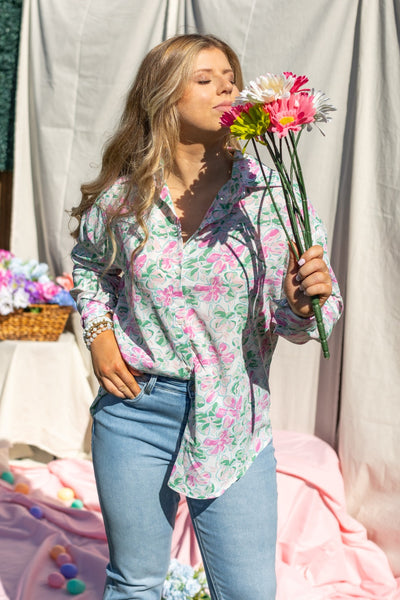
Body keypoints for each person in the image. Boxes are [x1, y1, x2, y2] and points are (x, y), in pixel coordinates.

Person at [70, 33, 342, 600]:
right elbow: (91, 266)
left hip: (233, 417)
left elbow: (313, 315)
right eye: (205, 78)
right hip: (135, 409)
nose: (227, 88)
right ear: (164, 97)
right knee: (135, 583)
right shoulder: (123, 200)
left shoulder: (271, 198)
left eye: (230, 77)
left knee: (248, 593)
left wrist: (301, 305)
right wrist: (98, 334)